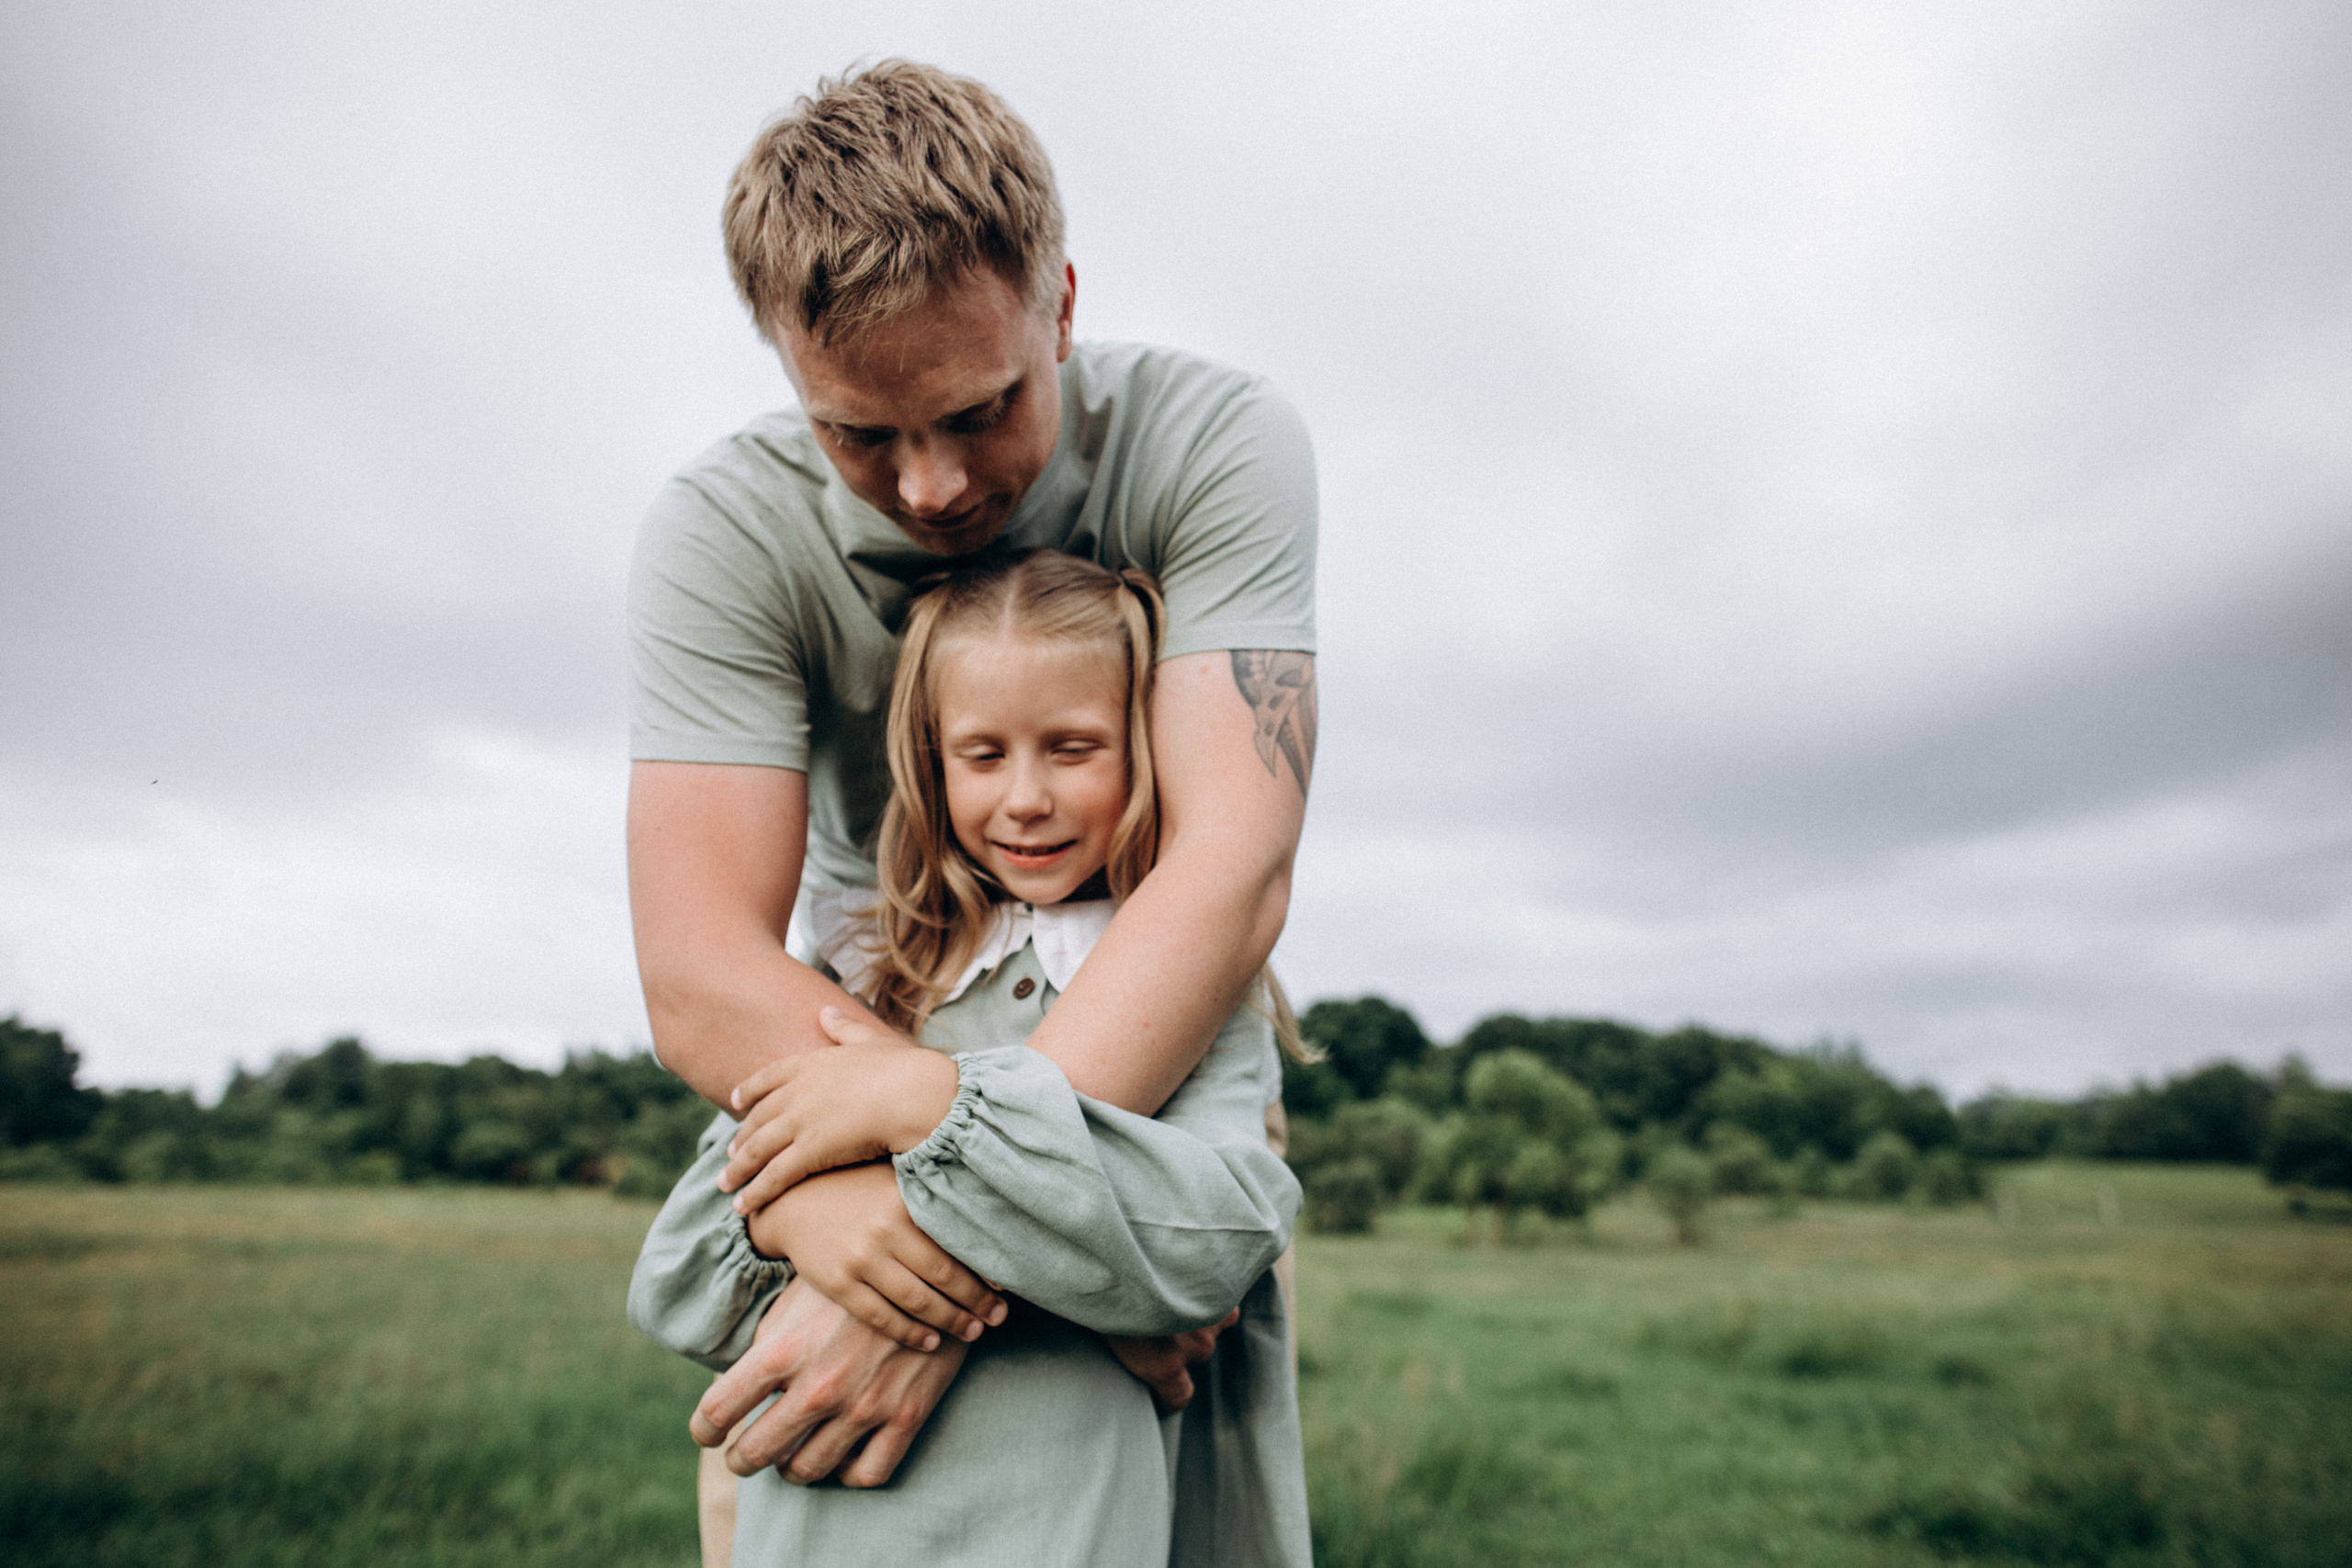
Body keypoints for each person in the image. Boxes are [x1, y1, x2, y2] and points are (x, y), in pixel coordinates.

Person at [625, 53, 1317, 1513]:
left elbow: (1231, 868)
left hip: (1150, 1060)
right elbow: (701, 974)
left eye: (980, 409)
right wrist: (863, 1200)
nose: (932, 486)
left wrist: (961, 1240)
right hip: (854, 1039)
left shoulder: (1215, 444)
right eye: (859, 433)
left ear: (1060, 303)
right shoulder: (721, 534)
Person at [630, 551, 1311, 1566]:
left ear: (1152, 749)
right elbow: (677, 1281)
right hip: (825, 1523)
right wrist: (799, 1210)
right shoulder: (870, 979)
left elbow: (1213, 1243)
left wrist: (932, 1106)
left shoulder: (1184, 990)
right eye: (982, 755)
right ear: (928, 763)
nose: (1026, 797)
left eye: (1074, 748)